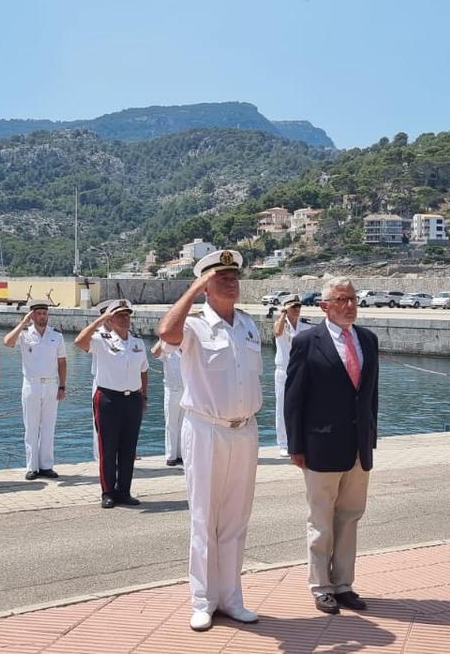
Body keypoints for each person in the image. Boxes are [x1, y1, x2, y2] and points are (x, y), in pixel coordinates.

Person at [157, 249, 262, 632]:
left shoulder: (249, 326)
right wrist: (191, 291)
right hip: (205, 428)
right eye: (221, 277)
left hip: (244, 429)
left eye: (234, 275)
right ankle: (202, 600)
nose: (232, 281)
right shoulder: (194, 326)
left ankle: (231, 598)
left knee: (236, 518)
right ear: (204, 285)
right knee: (204, 518)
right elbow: (166, 333)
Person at [285, 277, 379, 616]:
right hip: (320, 446)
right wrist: (296, 445)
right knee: (321, 520)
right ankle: (321, 586)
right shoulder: (308, 341)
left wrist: (371, 435)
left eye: (352, 298)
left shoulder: (368, 340)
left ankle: (343, 584)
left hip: (358, 447)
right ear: (324, 306)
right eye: (341, 299)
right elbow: (294, 398)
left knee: (350, 517)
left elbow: (371, 395)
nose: (349, 305)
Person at [76, 298, 148, 509]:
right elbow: (80, 342)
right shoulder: (101, 339)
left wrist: (144, 396)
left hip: (132, 399)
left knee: (128, 447)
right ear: (110, 318)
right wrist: (101, 320)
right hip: (108, 398)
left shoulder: (137, 342)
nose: (125, 319)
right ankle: (108, 492)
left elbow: (143, 370)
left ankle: (124, 491)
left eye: (127, 315)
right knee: (108, 448)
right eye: (119, 315)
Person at [3, 300, 67, 480]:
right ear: (32, 315)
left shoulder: (56, 335)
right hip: (31, 385)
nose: (42, 316)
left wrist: (62, 385)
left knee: (48, 426)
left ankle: (46, 465)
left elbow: (62, 361)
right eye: (38, 313)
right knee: (31, 427)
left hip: (52, 384)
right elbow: (7, 342)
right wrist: (23, 323)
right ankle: (31, 467)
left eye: (44, 313)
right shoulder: (24, 333)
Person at [273, 292, 310, 457]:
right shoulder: (282, 324)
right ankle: (283, 443)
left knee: (301, 406)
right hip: (284, 371)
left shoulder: (304, 326)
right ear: (286, 309)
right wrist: (283, 313)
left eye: (299, 306)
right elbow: (277, 332)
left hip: (301, 371)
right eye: (293, 307)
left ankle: (299, 440)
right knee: (282, 408)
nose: (297, 309)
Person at [151, 339, 184, 467]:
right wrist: (164, 338)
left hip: (187, 390)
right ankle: (171, 456)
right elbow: (154, 352)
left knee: (184, 424)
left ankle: (181, 454)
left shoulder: (188, 347)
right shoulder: (168, 349)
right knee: (171, 423)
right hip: (172, 390)